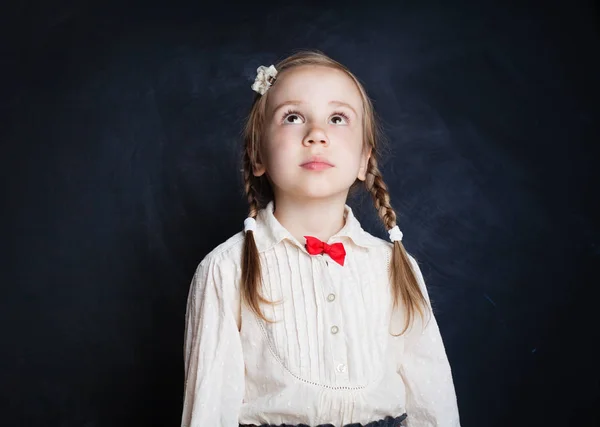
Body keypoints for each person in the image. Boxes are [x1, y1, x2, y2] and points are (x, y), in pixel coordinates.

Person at [181, 50, 461, 427]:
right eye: (293, 117)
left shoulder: (395, 267)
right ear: (258, 154)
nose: (317, 134)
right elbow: (208, 414)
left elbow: (434, 405)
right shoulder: (225, 270)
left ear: (364, 159)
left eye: (338, 118)